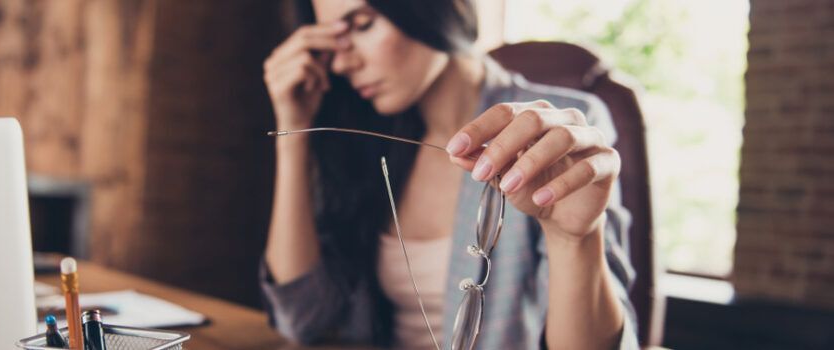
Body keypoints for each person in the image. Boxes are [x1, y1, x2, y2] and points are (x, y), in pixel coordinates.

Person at [260, 0, 638, 349]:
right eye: (331, 42)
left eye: (361, 25)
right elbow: (301, 320)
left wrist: (576, 239)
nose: (341, 64)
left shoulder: (555, 137)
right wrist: (293, 130)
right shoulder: (368, 144)